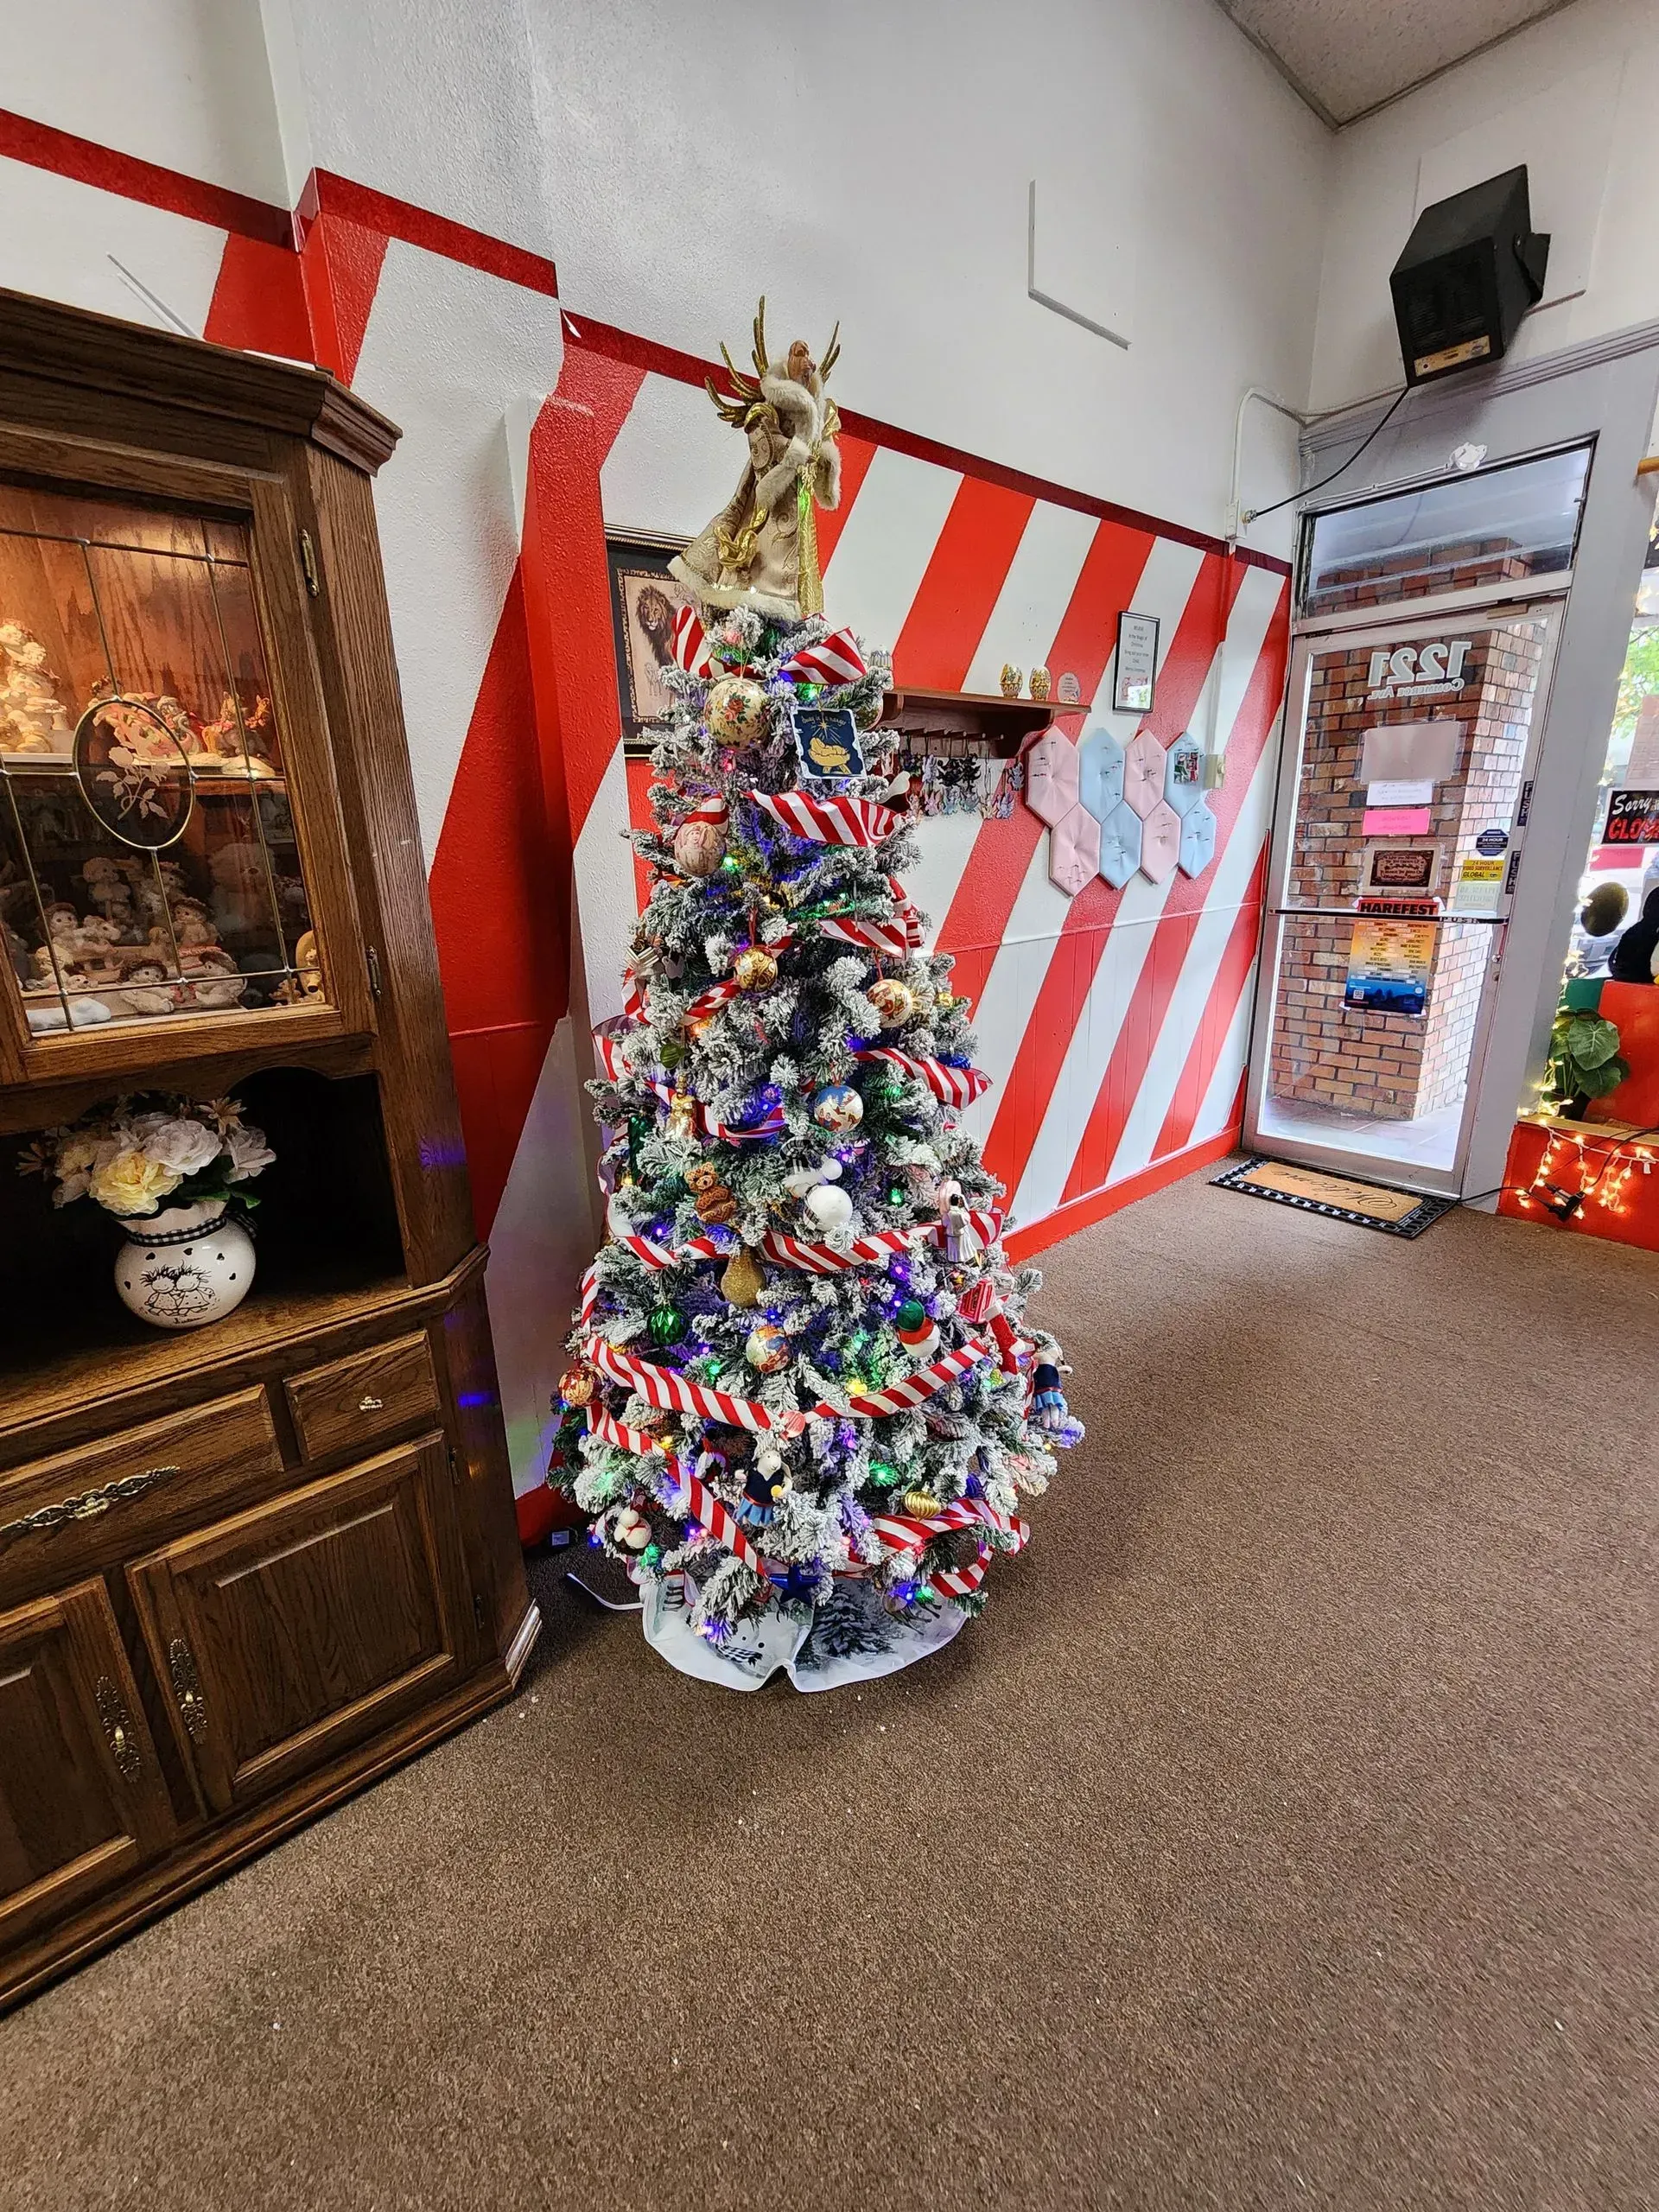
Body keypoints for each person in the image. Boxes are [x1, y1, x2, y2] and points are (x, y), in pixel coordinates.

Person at [1610, 886, 1659, 982]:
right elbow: (1654, 969)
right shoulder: (1653, 932)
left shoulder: (1634, 930)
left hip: (1621, 980)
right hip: (1643, 983)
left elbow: (1614, 961)